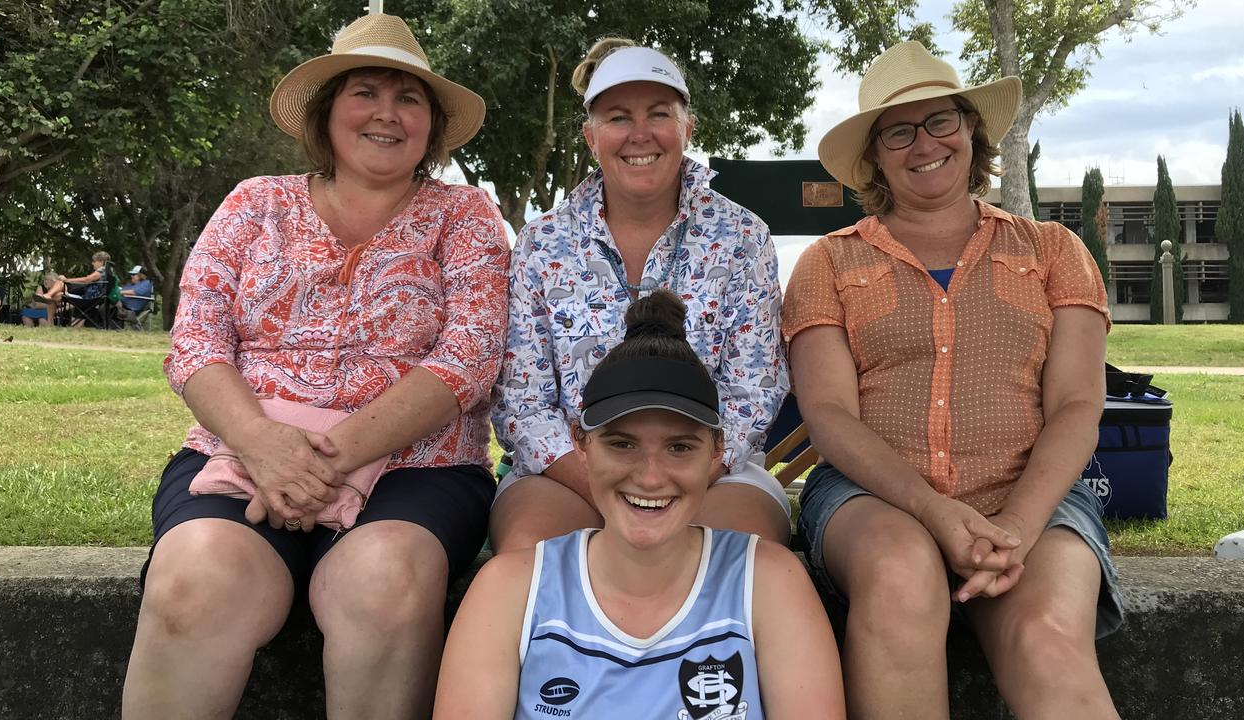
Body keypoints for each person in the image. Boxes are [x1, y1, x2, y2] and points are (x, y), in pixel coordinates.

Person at [121, 13, 508, 718]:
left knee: (385, 582)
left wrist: (319, 463)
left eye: (409, 97)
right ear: (327, 114)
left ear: (430, 125)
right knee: (195, 579)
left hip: (415, 469)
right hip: (242, 453)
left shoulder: (465, 215)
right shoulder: (253, 203)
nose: (386, 113)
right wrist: (263, 446)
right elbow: (197, 342)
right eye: (365, 92)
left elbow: (470, 356)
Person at [783, 41, 1122, 719]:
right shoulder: (827, 263)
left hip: (1032, 497)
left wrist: (1017, 529)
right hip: (869, 496)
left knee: (1047, 636)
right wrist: (933, 510)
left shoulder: (1054, 251)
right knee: (901, 578)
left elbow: (1079, 404)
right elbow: (828, 414)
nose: (924, 144)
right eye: (898, 131)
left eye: (940, 121)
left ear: (971, 128)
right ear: (876, 154)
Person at [437, 290, 844, 719]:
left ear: (717, 450)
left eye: (679, 447)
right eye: (622, 444)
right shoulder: (510, 590)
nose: (650, 477)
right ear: (581, 443)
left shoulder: (770, 581)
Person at [490, 39, 791, 552]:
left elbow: (753, 392)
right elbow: (523, 398)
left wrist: (678, 479)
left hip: (710, 474)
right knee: (534, 550)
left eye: (658, 113)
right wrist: (608, 486)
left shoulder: (742, 236)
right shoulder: (542, 242)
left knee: (738, 549)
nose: (639, 134)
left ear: (687, 128)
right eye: (617, 117)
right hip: (569, 474)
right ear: (590, 137)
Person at [60, 250, 111, 328]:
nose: (92, 263)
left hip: (90, 299)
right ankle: (49, 295)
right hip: (92, 298)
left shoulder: (101, 271)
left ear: (101, 262)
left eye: (94, 261)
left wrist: (67, 280)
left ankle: (48, 295)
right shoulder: (108, 271)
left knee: (60, 282)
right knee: (60, 285)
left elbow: (86, 280)